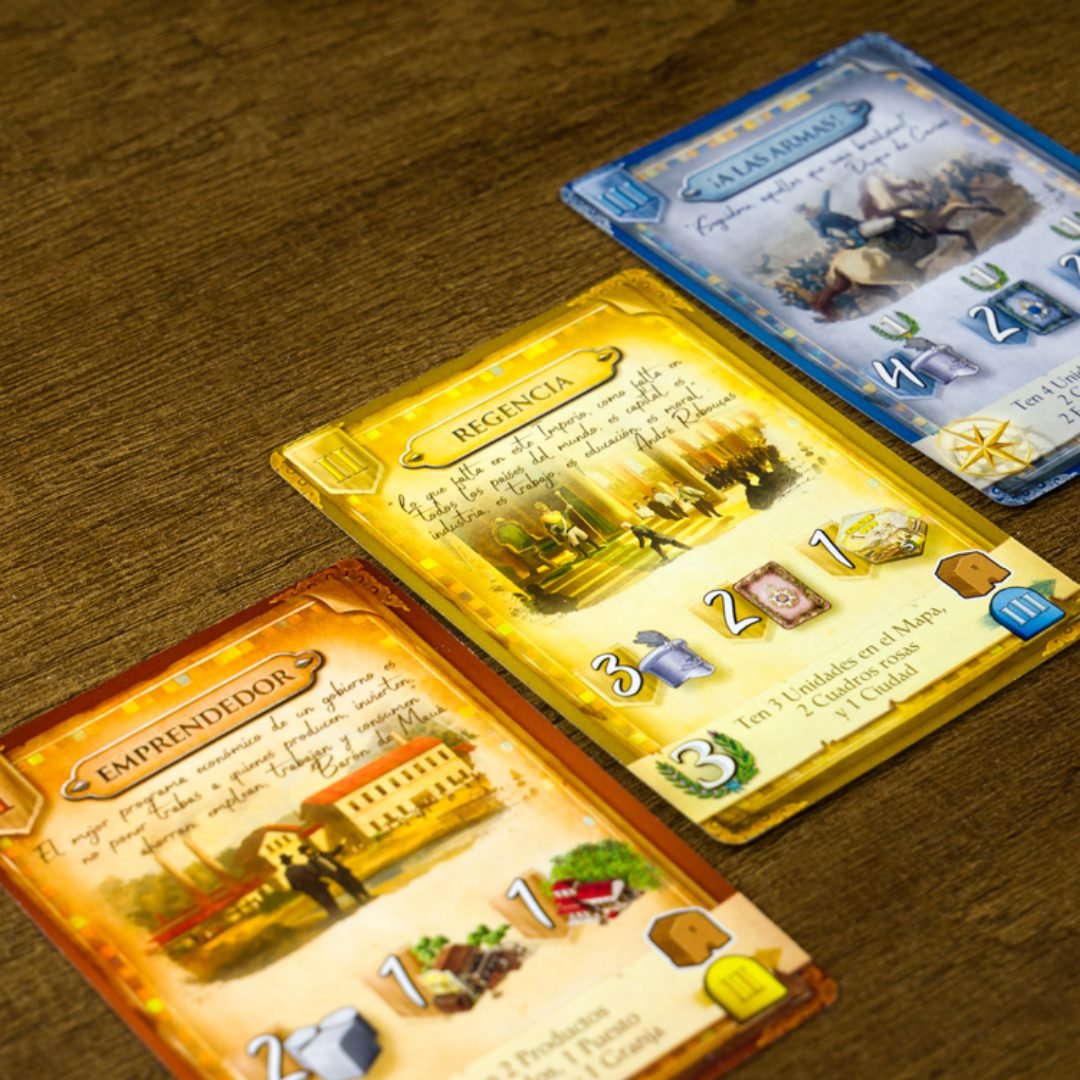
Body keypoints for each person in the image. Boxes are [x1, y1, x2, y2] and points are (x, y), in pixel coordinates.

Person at [300, 843, 370, 904]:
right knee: (348, 887)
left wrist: (340, 845)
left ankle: (367, 895)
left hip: (342, 871)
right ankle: (359, 900)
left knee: (355, 883)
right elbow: (317, 872)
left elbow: (333, 853)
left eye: (308, 849)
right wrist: (328, 874)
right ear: (304, 854)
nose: (309, 851)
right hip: (335, 875)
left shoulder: (322, 854)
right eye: (306, 851)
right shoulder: (311, 863)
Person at [280, 854, 340, 918]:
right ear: (291, 860)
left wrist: (303, 889)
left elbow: (294, 886)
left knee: (322, 901)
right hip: (317, 885)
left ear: (284, 864)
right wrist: (318, 879)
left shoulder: (287, 873)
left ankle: (332, 913)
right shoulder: (301, 867)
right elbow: (314, 873)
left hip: (309, 890)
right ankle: (338, 912)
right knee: (328, 898)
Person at [534, 501, 601, 556]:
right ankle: (585, 554)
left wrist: (567, 508)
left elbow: (564, 515)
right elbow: (551, 527)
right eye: (542, 509)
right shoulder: (545, 518)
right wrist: (556, 529)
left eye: (544, 507)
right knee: (575, 542)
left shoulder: (556, 512)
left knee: (584, 536)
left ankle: (597, 547)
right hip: (566, 531)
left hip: (572, 527)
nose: (545, 509)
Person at [620, 521, 690, 562]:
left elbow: (641, 539)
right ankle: (665, 558)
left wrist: (641, 546)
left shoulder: (635, 530)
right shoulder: (640, 525)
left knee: (673, 542)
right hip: (656, 535)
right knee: (656, 546)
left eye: (625, 527)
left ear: (626, 527)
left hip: (655, 537)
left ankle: (688, 548)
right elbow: (649, 530)